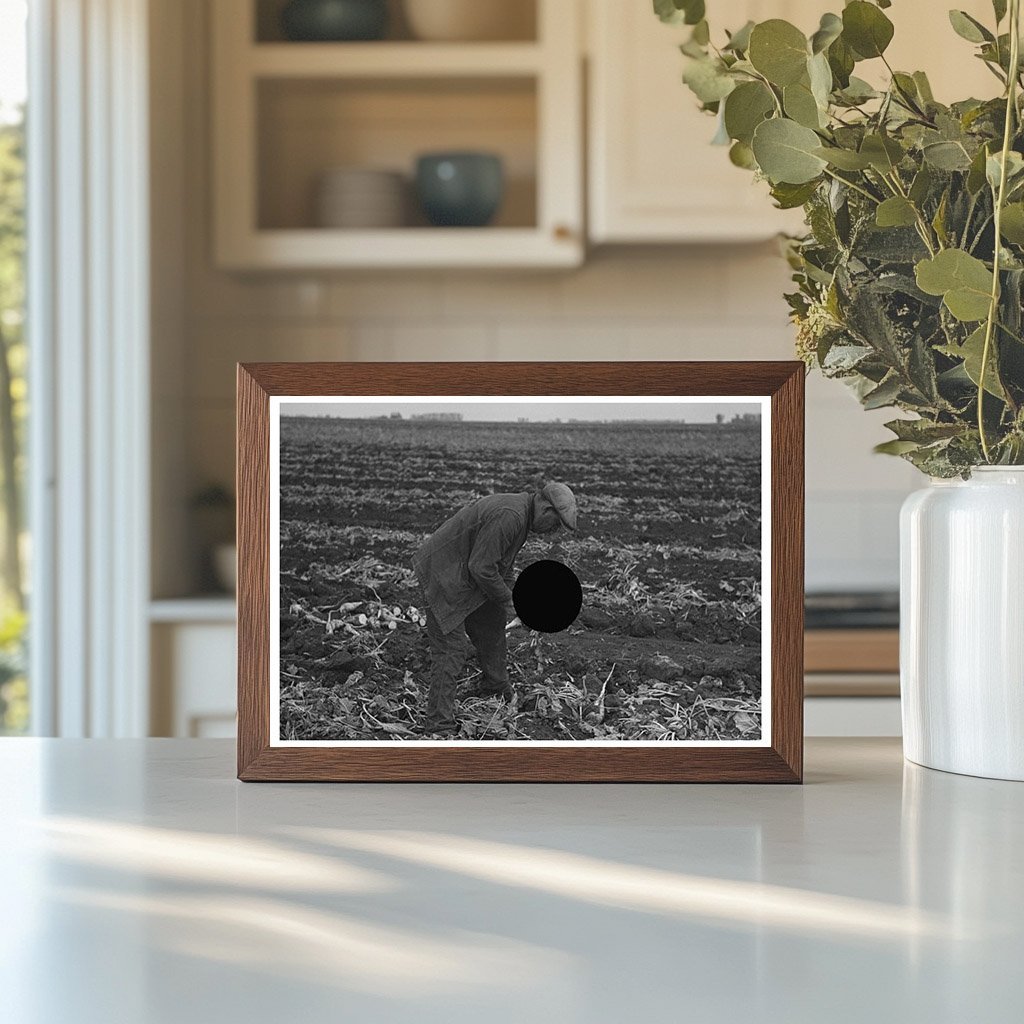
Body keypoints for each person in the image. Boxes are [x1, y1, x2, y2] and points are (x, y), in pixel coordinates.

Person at [412, 482, 577, 734]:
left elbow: (500, 564)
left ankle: (495, 687)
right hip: (444, 574)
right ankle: (438, 724)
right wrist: (509, 600)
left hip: (465, 574)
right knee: (451, 650)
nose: (552, 532)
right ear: (545, 508)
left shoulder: (521, 516)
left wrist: (515, 600)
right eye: (555, 524)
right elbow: (481, 567)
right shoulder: (510, 516)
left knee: (492, 625)